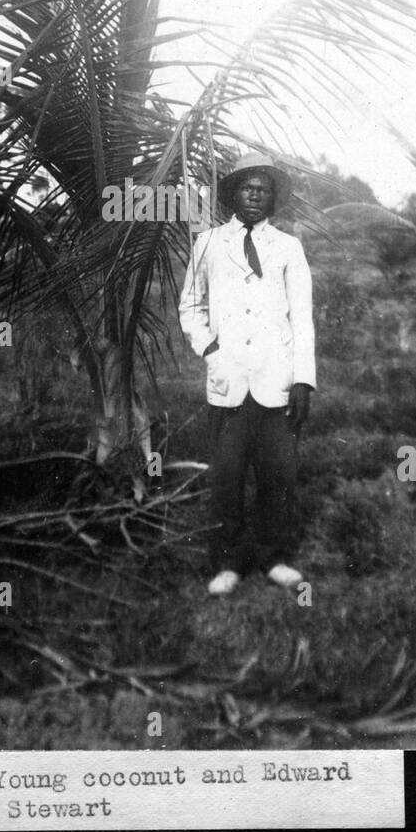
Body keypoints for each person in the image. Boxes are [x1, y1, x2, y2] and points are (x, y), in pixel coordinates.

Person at [178, 153, 315, 596]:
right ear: (233, 194)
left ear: (273, 199)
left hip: (277, 381)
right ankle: (228, 562)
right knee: (228, 476)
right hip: (228, 381)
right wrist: (211, 349)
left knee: (278, 475)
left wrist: (303, 379)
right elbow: (190, 307)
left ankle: (275, 557)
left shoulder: (289, 248)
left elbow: (303, 319)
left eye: (263, 189)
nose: (255, 195)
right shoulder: (208, 243)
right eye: (247, 188)